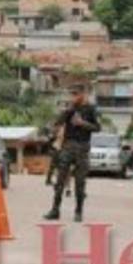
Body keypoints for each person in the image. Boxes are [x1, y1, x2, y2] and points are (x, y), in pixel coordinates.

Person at [44, 84, 101, 222]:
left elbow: (98, 127)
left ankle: (78, 211)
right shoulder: (70, 109)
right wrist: (67, 111)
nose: (73, 97)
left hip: (82, 147)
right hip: (68, 145)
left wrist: (83, 123)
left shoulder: (90, 109)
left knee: (80, 182)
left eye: (76, 94)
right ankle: (55, 210)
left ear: (83, 94)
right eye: (72, 94)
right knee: (60, 180)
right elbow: (57, 122)